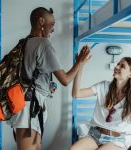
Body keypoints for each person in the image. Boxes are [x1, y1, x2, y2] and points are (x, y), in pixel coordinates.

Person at [7, 7, 88, 150]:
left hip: (27, 105)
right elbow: (65, 80)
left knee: (36, 147)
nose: (53, 29)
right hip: (29, 107)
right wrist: (80, 62)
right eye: (52, 24)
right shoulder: (43, 44)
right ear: (41, 21)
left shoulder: (24, 42)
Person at [70, 46, 131, 150]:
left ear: (130, 74)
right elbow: (76, 94)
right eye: (117, 64)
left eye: (122, 66)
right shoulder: (103, 86)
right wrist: (80, 65)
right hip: (96, 134)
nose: (117, 67)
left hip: (117, 139)